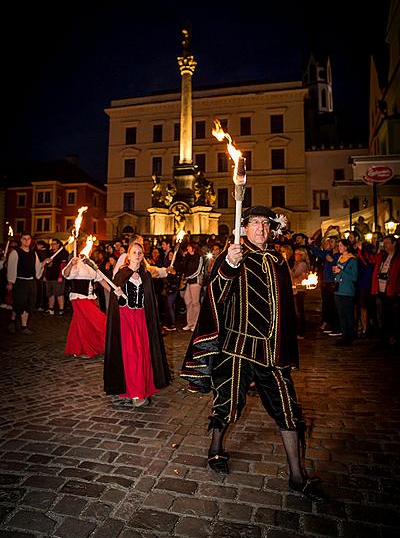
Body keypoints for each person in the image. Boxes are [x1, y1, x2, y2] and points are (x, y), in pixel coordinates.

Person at [181, 205, 326, 502]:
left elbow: (281, 309)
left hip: (271, 353)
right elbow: (215, 296)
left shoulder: (277, 260)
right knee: (228, 404)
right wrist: (228, 267)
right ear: (244, 227)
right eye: (254, 223)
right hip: (236, 348)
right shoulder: (232, 255)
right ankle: (216, 447)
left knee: (289, 410)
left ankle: (298, 477)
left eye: (265, 224)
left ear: (271, 230)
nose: (260, 228)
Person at [104, 241, 171, 408]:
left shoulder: (145, 275)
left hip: (142, 318)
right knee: (131, 354)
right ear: (128, 255)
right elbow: (116, 303)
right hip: (126, 319)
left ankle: (143, 387)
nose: (137, 255)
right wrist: (119, 294)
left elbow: (149, 300)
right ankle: (134, 391)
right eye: (134, 252)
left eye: (140, 252)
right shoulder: (121, 274)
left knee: (143, 353)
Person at [62, 256, 110, 358]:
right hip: (79, 298)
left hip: (90, 298)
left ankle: (78, 348)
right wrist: (71, 264)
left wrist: (113, 291)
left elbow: (100, 279)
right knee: (99, 320)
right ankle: (89, 348)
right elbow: (66, 274)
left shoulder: (90, 263)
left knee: (80, 322)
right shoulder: (75, 262)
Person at [6, 232, 47, 334]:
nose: (26, 241)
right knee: (19, 303)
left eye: (28, 239)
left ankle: (24, 327)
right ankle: (12, 321)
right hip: (19, 282)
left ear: (30, 240)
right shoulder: (15, 252)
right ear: (21, 240)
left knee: (29, 304)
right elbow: (11, 268)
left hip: (31, 282)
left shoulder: (33, 253)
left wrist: (45, 262)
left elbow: (37, 267)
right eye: (24, 239)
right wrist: (10, 282)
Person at [331, 239, 358, 346]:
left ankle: (349, 336)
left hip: (347, 290)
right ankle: (344, 335)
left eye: (341, 245)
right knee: (341, 314)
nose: (339, 247)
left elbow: (354, 277)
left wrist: (341, 271)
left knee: (348, 314)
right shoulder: (340, 258)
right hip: (338, 289)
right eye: (338, 245)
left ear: (346, 247)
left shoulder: (353, 260)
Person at [43, 238, 69, 316]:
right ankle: (51, 309)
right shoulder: (50, 253)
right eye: (52, 244)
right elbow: (46, 265)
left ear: (58, 244)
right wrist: (44, 275)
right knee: (50, 294)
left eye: (54, 244)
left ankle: (61, 309)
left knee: (59, 294)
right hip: (49, 276)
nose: (52, 245)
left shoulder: (63, 253)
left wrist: (60, 276)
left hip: (58, 277)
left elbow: (63, 266)